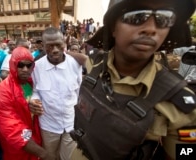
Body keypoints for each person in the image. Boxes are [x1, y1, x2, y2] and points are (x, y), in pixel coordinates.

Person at [70, 0, 196, 160]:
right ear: (113, 27)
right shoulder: (95, 64)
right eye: (136, 17)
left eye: (164, 18)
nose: (151, 29)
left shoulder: (181, 103)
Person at [30, 27, 83, 160]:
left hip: (71, 124)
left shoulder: (75, 64)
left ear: (64, 43)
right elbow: (35, 91)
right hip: (48, 125)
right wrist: (34, 101)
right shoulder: (36, 67)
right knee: (50, 157)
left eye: (58, 45)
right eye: (49, 46)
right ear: (42, 46)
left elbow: (79, 92)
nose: (54, 50)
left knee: (69, 157)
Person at [0, 47, 49, 160]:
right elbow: (14, 131)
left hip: (35, 139)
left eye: (29, 65)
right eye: (20, 65)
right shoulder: (2, 94)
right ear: (12, 65)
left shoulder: (33, 83)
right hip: (17, 147)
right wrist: (43, 153)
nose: (25, 69)